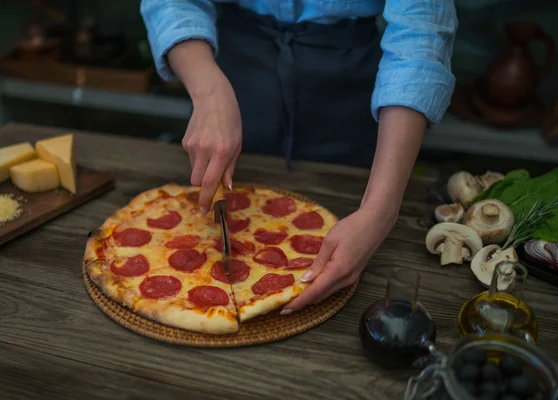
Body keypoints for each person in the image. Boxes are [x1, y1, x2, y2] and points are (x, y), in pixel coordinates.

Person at [140, 0, 458, 314]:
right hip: (226, 68)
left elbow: (420, 33)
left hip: (352, 95)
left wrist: (380, 211)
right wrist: (208, 91)